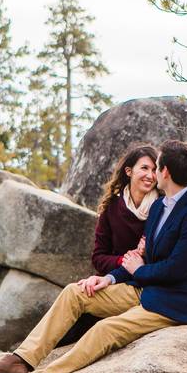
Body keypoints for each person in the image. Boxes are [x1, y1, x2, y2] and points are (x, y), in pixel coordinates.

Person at [0, 140, 187, 373]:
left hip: (178, 304)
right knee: (76, 293)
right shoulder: (159, 207)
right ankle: (20, 361)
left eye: (155, 167)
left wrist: (139, 269)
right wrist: (108, 278)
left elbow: (176, 270)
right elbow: (139, 260)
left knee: (106, 328)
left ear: (164, 172)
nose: (152, 172)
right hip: (147, 288)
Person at [57, 144, 160, 345]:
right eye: (145, 168)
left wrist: (142, 258)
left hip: (146, 286)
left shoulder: (162, 207)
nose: (150, 175)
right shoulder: (112, 208)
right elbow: (98, 257)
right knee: (73, 326)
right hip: (115, 280)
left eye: (155, 170)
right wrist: (125, 260)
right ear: (129, 171)